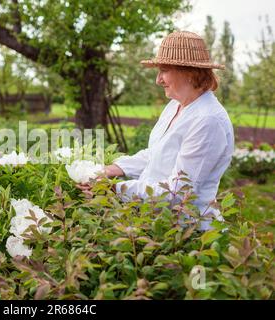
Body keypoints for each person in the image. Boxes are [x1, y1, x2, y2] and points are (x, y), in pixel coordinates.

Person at [93, 31, 234, 229]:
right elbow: (156, 155)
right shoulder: (175, 106)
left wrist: (114, 189)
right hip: (159, 223)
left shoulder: (207, 120)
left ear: (190, 72)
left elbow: (179, 192)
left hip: (188, 232)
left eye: (164, 70)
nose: (158, 80)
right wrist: (114, 169)